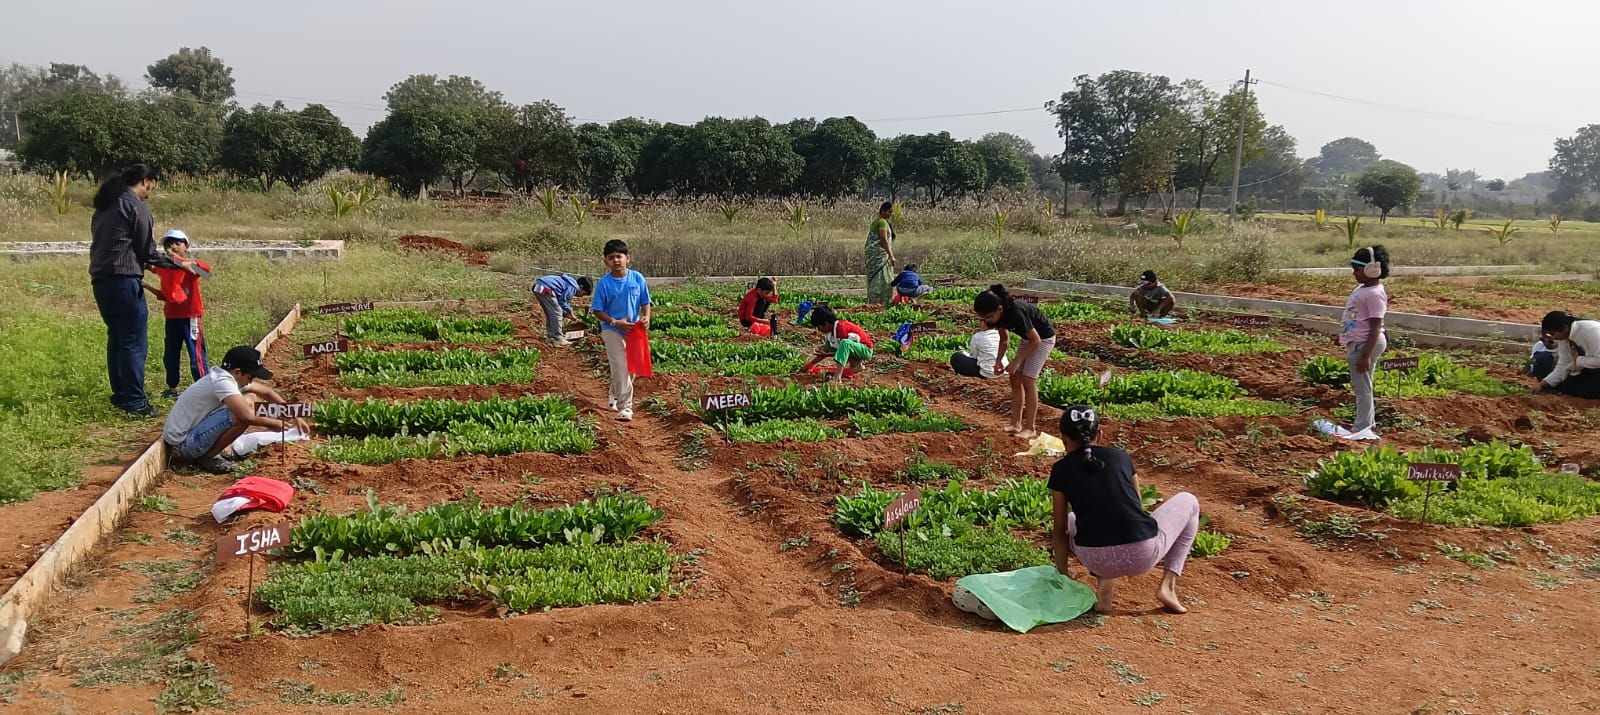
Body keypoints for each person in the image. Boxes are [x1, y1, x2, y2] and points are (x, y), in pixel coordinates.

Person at [1048, 405, 1199, 615]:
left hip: (1097, 560)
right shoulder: (1121, 457)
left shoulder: (1060, 469)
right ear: (1100, 434)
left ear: (1064, 439)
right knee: (1190, 501)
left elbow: (1060, 531)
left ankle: (1104, 586)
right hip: (1141, 555)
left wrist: (1063, 573)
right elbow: (1136, 506)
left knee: (1073, 518)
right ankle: (1168, 587)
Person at [90, 164, 166, 417]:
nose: (150, 191)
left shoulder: (105, 206)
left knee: (118, 338)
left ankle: (122, 395)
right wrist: (180, 264)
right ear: (145, 181)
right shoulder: (135, 207)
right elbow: (148, 251)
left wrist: (144, 264)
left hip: (103, 281)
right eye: (151, 185)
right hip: (124, 282)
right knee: (133, 341)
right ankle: (135, 401)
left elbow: (119, 245)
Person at [162, 346, 310, 474]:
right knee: (240, 414)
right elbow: (247, 417)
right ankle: (208, 457)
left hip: (191, 435)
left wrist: (294, 415)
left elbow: (266, 392)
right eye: (250, 377)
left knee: (250, 397)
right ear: (238, 372)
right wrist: (273, 424)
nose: (251, 381)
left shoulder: (228, 377)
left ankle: (217, 450)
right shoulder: (222, 382)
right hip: (183, 445)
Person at [973, 284, 1056, 439]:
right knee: (1015, 377)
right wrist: (998, 361)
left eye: (989, 317)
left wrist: (1017, 361)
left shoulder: (1016, 312)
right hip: (1028, 339)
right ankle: (1015, 423)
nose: (987, 321)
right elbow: (1004, 339)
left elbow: (1036, 340)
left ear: (1000, 309)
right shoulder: (996, 317)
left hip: (1043, 339)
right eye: (983, 318)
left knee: (1028, 379)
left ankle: (1030, 428)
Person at [142, 229, 211, 398]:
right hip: (172, 317)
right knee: (170, 355)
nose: (173, 246)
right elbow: (157, 277)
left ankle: (205, 391)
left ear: (187, 246)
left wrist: (179, 261)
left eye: (178, 243)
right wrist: (147, 284)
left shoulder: (190, 266)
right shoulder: (165, 268)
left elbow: (205, 272)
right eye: (169, 244)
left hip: (190, 316)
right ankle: (172, 388)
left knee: (196, 355)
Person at [590, 239, 651, 422]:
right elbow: (597, 310)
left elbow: (645, 301)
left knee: (633, 367)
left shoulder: (637, 278)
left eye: (619, 256)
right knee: (619, 366)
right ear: (606, 262)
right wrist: (615, 322)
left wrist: (646, 317)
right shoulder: (604, 283)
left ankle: (615, 392)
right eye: (611, 257)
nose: (616, 260)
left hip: (634, 328)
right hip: (612, 329)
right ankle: (626, 407)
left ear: (627, 258)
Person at [1339, 245, 1390, 434]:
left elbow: (1376, 326)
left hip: (1365, 345)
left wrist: (1365, 355)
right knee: (1363, 386)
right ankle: (1368, 423)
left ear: (1371, 269)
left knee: (1362, 388)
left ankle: (1362, 427)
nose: (1354, 273)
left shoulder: (1375, 294)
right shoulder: (1363, 289)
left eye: (1357, 269)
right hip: (1359, 342)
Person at [1535, 311, 1600, 399]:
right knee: (1568, 387)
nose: (1552, 338)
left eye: (1552, 334)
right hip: (1587, 368)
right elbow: (1563, 364)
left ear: (1564, 328)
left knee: (1589, 390)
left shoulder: (1592, 331)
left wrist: (1578, 360)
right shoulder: (1564, 338)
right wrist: (1542, 384)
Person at [803, 306, 874, 381]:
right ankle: (855, 366)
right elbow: (826, 350)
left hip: (865, 349)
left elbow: (844, 350)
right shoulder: (831, 333)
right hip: (855, 349)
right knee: (832, 345)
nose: (819, 330)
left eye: (818, 327)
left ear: (826, 324)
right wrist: (809, 365)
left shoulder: (841, 328)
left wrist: (828, 355)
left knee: (845, 343)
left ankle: (838, 376)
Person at [532, 273, 593, 346]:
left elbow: (558, 301)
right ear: (581, 287)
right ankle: (557, 339)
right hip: (546, 288)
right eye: (583, 294)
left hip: (538, 286)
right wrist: (570, 311)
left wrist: (565, 314)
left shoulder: (569, 283)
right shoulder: (574, 287)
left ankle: (551, 337)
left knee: (552, 313)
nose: (581, 296)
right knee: (557, 312)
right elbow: (561, 301)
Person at [865, 202, 897, 306]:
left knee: (879, 277)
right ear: (882, 211)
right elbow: (883, 240)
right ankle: (882, 302)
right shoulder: (882, 222)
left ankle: (874, 302)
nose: (890, 214)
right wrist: (891, 255)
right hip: (879, 255)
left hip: (876, 254)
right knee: (883, 277)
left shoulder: (878, 222)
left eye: (891, 212)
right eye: (889, 212)